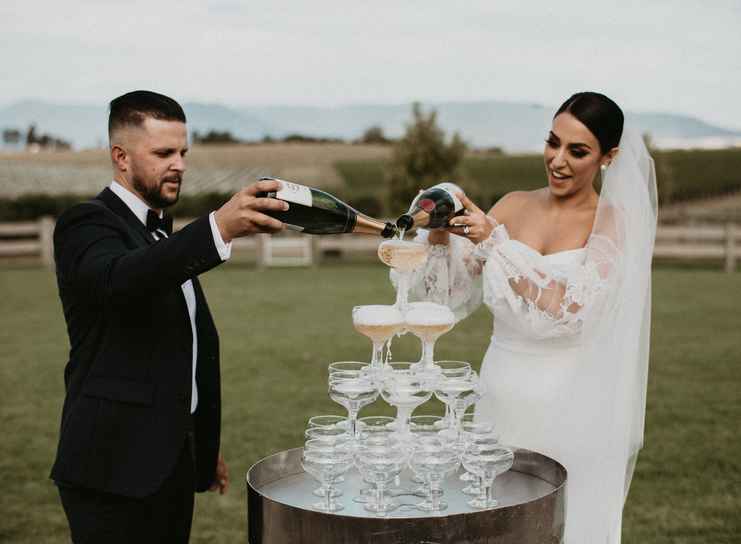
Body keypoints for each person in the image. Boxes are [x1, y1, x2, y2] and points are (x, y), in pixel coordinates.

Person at [398, 92, 657, 542]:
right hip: (499, 398)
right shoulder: (513, 205)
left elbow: (570, 310)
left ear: (608, 158)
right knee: (491, 524)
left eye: (577, 151)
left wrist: (498, 245)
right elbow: (446, 296)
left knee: (566, 527)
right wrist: (439, 232)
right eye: (552, 142)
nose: (557, 160)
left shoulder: (614, 223)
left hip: (575, 408)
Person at [50, 90, 289, 543]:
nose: (178, 163)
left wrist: (199, 444)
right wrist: (218, 227)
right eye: (163, 153)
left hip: (169, 462)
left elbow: (179, 346)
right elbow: (122, 280)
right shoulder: (87, 224)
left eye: (183, 152)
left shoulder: (162, 234)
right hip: (112, 471)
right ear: (121, 157)